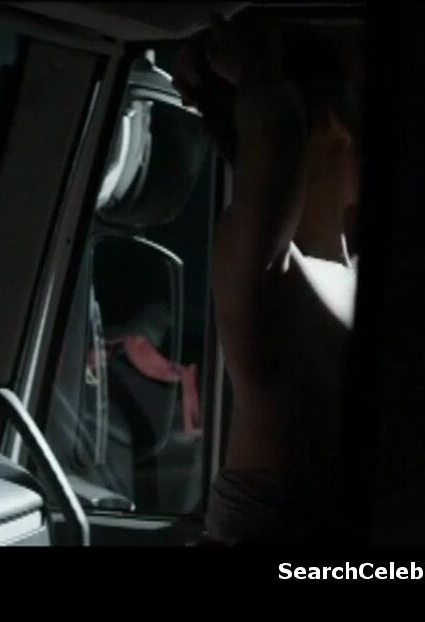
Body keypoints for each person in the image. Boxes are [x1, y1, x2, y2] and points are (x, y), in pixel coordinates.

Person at [172, 14, 361, 544]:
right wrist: (259, 69)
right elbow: (275, 147)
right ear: (330, 123)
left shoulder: (348, 273)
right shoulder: (266, 268)